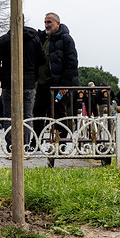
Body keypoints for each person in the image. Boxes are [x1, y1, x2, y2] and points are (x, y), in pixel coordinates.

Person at [0, 16, 46, 150]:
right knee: (27, 115)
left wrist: (3, 76)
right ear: (23, 23)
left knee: (9, 115)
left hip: (9, 82)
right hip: (28, 82)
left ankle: (11, 145)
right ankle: (25, 145)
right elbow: (42, 59)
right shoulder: (34, 39)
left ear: (10, 22)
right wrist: (34, 75)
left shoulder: (4, 40)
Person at [30, 12, 79, 150]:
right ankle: (37, 143)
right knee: (38, 113)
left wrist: (65, 84)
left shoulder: (66, 39)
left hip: (58, 85)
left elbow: (72, 62)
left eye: (49, 22)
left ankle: (61, 142)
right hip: (42, 83)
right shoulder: (42, 38)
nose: (46, 25)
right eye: (45, 22)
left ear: (58, 23)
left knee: (59, 114)